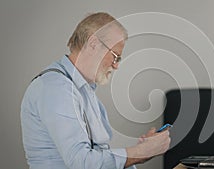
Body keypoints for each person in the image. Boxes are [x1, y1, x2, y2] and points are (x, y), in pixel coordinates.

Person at [21, 12, 171, 169]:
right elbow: (82, 162)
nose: (116, 65)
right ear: (93, 43)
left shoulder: (83, 91)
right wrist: (139, 153)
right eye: (115, 56)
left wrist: (141, 150)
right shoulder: (56, 88)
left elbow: (99, 155)